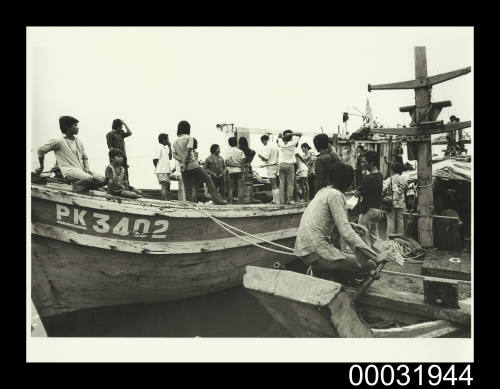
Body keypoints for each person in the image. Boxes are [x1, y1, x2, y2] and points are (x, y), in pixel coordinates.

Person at [294, 162, 386, 281]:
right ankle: (343, 286)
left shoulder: (324, 191)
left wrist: (352, 226)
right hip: (316, 250)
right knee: (370, 266)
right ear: (349, 182)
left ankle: (333, 280)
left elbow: (332, 221)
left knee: (350, 263)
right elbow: (346, 233)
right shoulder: (336, 195)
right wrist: (376, 257)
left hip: (304, 248)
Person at [36, 116, 106, 192]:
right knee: (88, 178)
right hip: (68, 171)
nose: (77, 128)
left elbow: (85, 157)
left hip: (81, 170)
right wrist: (41, 166)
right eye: (75, 125)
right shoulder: (58, 141)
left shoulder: (78, 142)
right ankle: (78, 186)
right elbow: (40, 150)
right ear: (67, 127)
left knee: (103, 180)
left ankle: (80, 186)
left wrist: (87, 168)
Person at [172, 120, 226, 205]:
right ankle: (218, 200)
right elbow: (189, 151)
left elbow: (174, 155)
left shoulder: (175, 142)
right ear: (187, 129)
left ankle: (190, 204)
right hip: (193, 165)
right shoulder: (189, 138)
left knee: (188, 187)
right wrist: (186, 161)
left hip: (183, 167)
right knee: (208, 179)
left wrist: (182, 161)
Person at [355, 150, 383, 245]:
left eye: (364, 162)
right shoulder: (379, 175)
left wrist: (357, 191)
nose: (362, 164)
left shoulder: (368, 178)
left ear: (372, 162)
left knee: (363, 237)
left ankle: (367, 258)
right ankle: (381, 256)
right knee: (375, 238)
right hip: (377, 210)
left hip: (368, 211)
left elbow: (357, 194)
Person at [382, 162, 408, 235]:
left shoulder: (390, 179)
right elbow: (406, 189)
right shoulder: (404, 179)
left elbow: (383, 189)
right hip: (401, 203)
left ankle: (390, 238)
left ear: (392, 170)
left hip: (391, 203)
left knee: (391, 221)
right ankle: (400, 238)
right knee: (400, 220)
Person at [277, 129, 302, 205]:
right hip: (290, 165)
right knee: (290, 184)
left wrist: (284, 135)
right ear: (291, 136)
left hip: (281, 165)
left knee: (281, 184)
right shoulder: (293, 142)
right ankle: (290, 200)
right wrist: (291, 133)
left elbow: (279, 134)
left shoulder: (280, 142)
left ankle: (281, 200)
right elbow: (300, 133)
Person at [258, 134, 280, 204]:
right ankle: (274, 200)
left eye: (262, 142)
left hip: (270, 167)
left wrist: (260, 156)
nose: (263, 144)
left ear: (264, 140)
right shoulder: (275, 146)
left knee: (273, 184)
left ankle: (277, 201)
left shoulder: (268, 146)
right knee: (274, 183)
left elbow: (266, 158)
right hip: (275, 165)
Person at [225, 136, 245, 204]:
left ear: (229, 143)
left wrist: (232, 164)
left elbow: (227, 163)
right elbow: (242, 164)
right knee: (240, 188)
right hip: (239, 171)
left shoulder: (228, 152)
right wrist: (243, 173)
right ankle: (241, 203)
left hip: (231, 171)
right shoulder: (240, 151)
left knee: (230, 188)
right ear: (236, 143)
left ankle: (230, 203)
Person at [153, 133, 172, 200]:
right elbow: (155, 159)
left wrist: (170, 146)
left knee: (167, 186)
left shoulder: (165, 148)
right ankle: (164, 201)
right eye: (167, 139)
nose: (168, 140)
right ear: (164, 140)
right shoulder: (159, 148)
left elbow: (170, 157)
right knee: (164, 186)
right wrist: (158, 168)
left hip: (166, 170)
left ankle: (167, 200)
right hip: (162, 170)